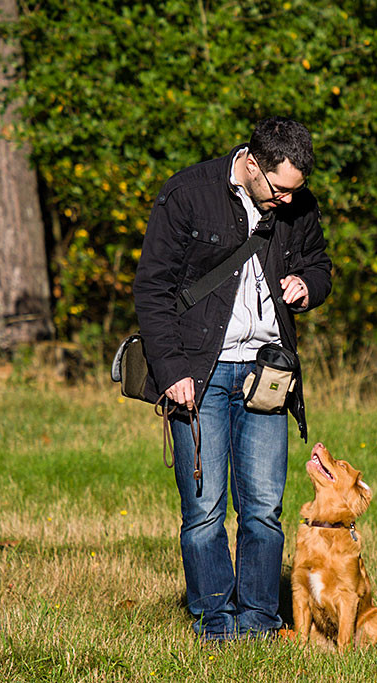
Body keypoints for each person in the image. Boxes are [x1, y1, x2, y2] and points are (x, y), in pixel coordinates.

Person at [132, 116, 332, 643]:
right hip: (199, 375)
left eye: (297, 190)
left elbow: (320, 265)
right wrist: (172, 372)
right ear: (251, 163)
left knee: (264, 509)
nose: (288, 201)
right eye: (281, 189)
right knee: (204, 511)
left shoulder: (297, 204)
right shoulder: (187, 194)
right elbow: (152, 290)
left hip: (268, 372)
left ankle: (260, 622)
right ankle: (217, 625)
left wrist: (307, 286)